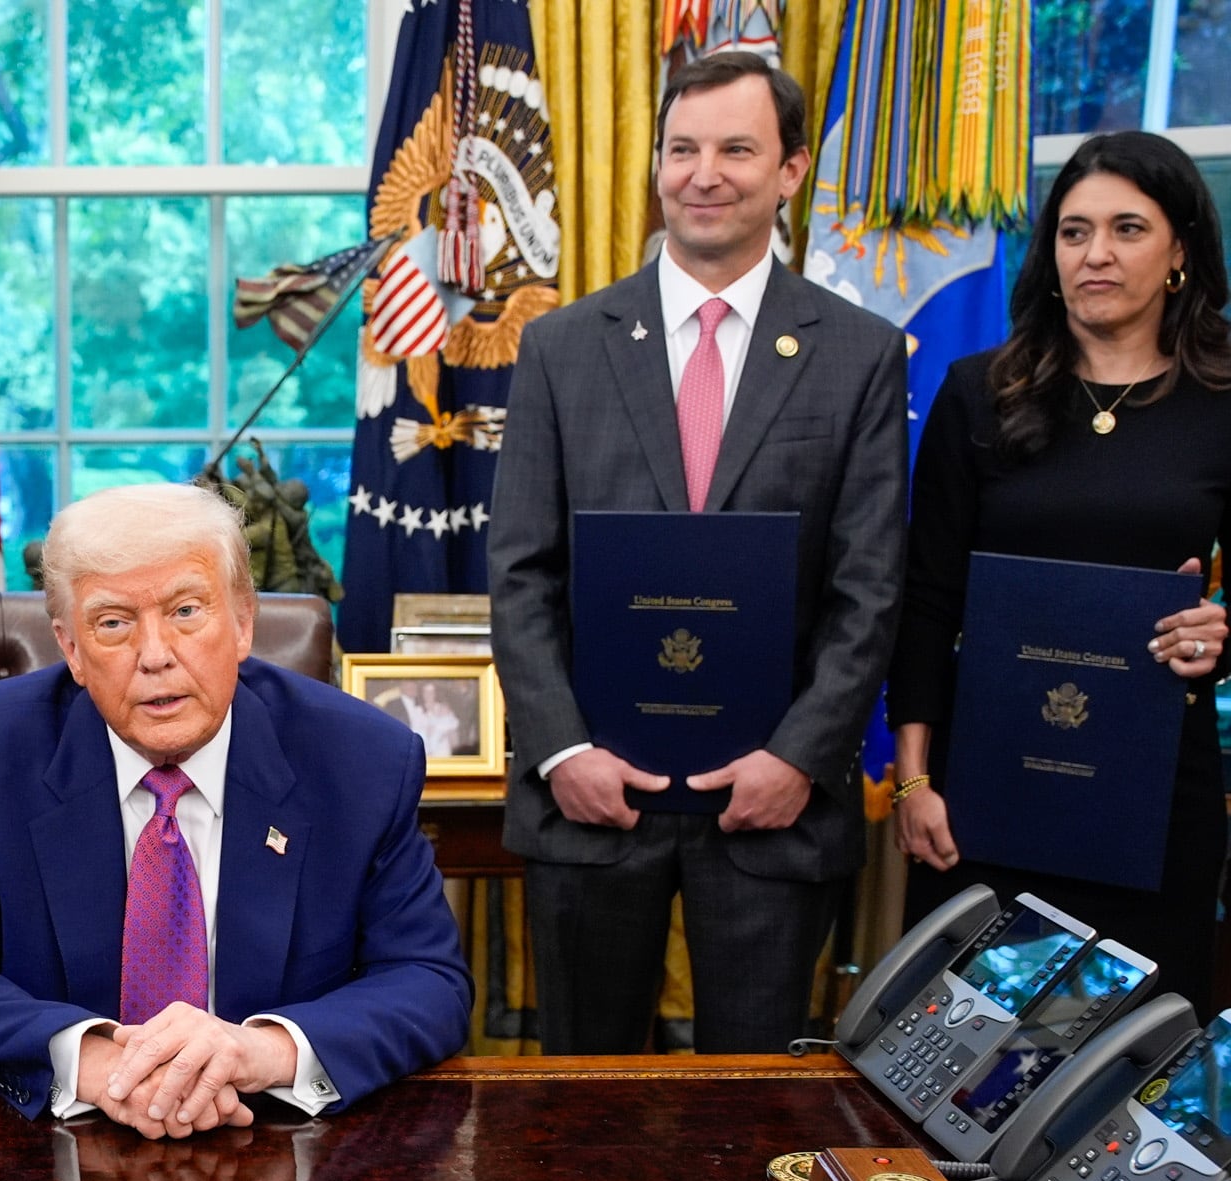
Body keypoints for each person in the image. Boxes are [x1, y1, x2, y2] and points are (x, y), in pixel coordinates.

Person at [488, 52, 908, 1055]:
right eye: (681, 149)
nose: (702, 173)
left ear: (790, 170)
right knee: (580, 1113)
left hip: (770, 804)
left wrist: (798, 760)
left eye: (734, 148)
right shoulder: (559, 347)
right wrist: (561, 750)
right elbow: (519, 574)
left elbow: (868, 589)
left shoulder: (856, 354)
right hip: (592, 795)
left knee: (753, 1106)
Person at [0, 482, 471, 1138]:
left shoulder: (361, 762)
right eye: (113, 623)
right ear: (70, 648)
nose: (154, 655)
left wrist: (257, 1052)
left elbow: (427, 979)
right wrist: (97, 1061)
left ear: (243, 624)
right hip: (56, 1153)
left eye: (186, 610)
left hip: (282, 1144)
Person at [888, 131, 1231, 1011]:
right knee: (959, 1061)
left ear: (1181, 248)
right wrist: (917, 779)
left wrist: (1219, 632)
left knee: (1130, 1069)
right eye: (1074, 233)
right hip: (988, 790)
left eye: (1127, 229)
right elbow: (925, 599)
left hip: (1153, 794)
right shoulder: (980, 389)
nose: (1097, 255)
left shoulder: (1225, 399)